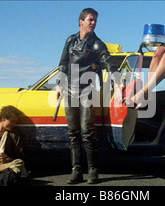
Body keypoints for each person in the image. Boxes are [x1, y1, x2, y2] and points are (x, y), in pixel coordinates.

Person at [55, 8, 121, 184]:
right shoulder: (70, 40)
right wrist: (59, 84)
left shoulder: (96, 43)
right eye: (90, 20)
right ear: (81, 21)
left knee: (87, 132)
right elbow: (63, 63)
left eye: (95, 20)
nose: (93, 23)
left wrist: (118, 82)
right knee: (73, 132)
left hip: (87, 90)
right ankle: (76, 171)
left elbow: (108, 62)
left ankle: (93, 170)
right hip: (69, 89)